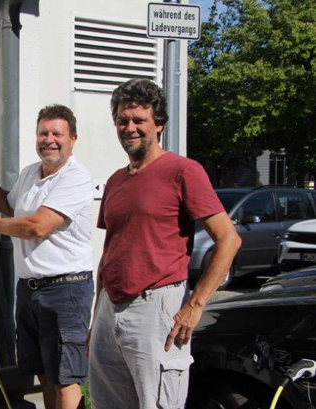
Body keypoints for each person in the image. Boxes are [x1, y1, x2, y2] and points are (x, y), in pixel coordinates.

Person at [88, 78, 242, 408]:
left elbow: (228, 239)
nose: (129, 128)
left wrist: (194, 306)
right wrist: (95, 321)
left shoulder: (183, 171)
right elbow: (109, 251)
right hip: (108, 309)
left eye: (139, 120)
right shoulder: (116, 180)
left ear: (159, 124)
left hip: (156, 308)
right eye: (122, 120)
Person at [0, 104, 94, 409]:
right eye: (43, 133)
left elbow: (38, 226)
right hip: (31, 289)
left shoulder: (75, 177)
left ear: (73, 139)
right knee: (44, 374)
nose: (49, 140)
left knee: (65, 377)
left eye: (57, 134)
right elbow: (10, 205)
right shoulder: (30, 173)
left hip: (66, 290)